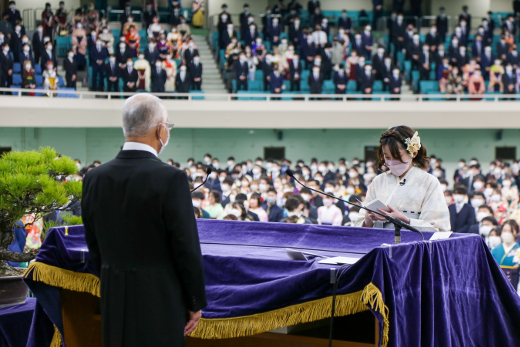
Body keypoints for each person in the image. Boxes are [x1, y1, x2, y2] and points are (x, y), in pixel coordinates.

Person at [82, 94, 207, 347]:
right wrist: (195, 301)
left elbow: (94, 244)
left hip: (113, 293)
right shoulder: (171, 178)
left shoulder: (94, 178)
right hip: (159, 298)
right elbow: (186, 247)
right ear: (160, 129)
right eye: (167, 126)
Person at [361, 126, 450, 231]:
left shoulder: (429, 182)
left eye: (397, 156)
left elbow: (438, 227)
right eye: (387, 157)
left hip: (413, 245)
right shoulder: (378, 181)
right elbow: (360, 223)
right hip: (380, 243)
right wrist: (367, 221)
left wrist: (404, 219)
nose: (392, 161)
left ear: (414, 153)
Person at [491, 220, 520, 289]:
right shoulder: (494, 250)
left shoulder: (518, 251)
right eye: (504, 230)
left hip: (514, 285)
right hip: (496, 284)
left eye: (510, 231)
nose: (507, 233)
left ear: (517, 233)